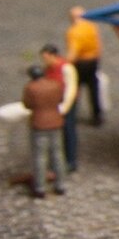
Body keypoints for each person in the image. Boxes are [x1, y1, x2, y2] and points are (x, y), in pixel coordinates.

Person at [22, 63, 66, 199]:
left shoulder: (31, 88)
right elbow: (61, 99)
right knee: (58, 155)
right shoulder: (55, 85)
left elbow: (27, 104)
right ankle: (60, 185)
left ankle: (40, 187)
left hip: (39, 124)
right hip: (55, 122)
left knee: (39, 157)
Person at [40, 43, 79, 173]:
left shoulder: (66, 68)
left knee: (68, 130)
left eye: (46, 57)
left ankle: (71, 161)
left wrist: (65, 107)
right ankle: (58, 158)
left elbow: (71, 89)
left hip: (65, 102)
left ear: (54, 56)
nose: (45, 61)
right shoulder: (48, 68)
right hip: (54, 102)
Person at [65, 6, 103, 126]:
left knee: (74, 88)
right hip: (93, 61)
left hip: (80, 63)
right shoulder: (91, 26)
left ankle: (71, 114)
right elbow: (98, 44)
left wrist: (65, 63)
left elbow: (73, 52)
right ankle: (97, 115)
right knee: (93, 89)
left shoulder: (74, 32)